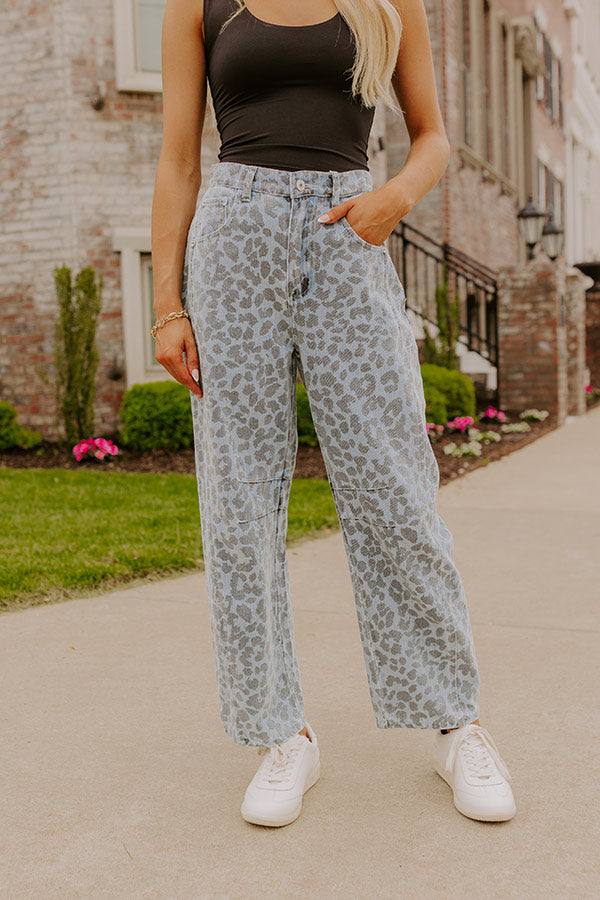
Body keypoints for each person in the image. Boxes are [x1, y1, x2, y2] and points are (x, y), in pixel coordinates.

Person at [150, 0, 517, 827]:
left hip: (351, 234)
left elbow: (433, 137)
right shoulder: (199, 4)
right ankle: (280, 734)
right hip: (234, 242)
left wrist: (395, 197)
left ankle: (456, 723)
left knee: (396, 487)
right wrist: (168, 304)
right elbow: (177, 161)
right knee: (239, 498)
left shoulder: (387, 3)